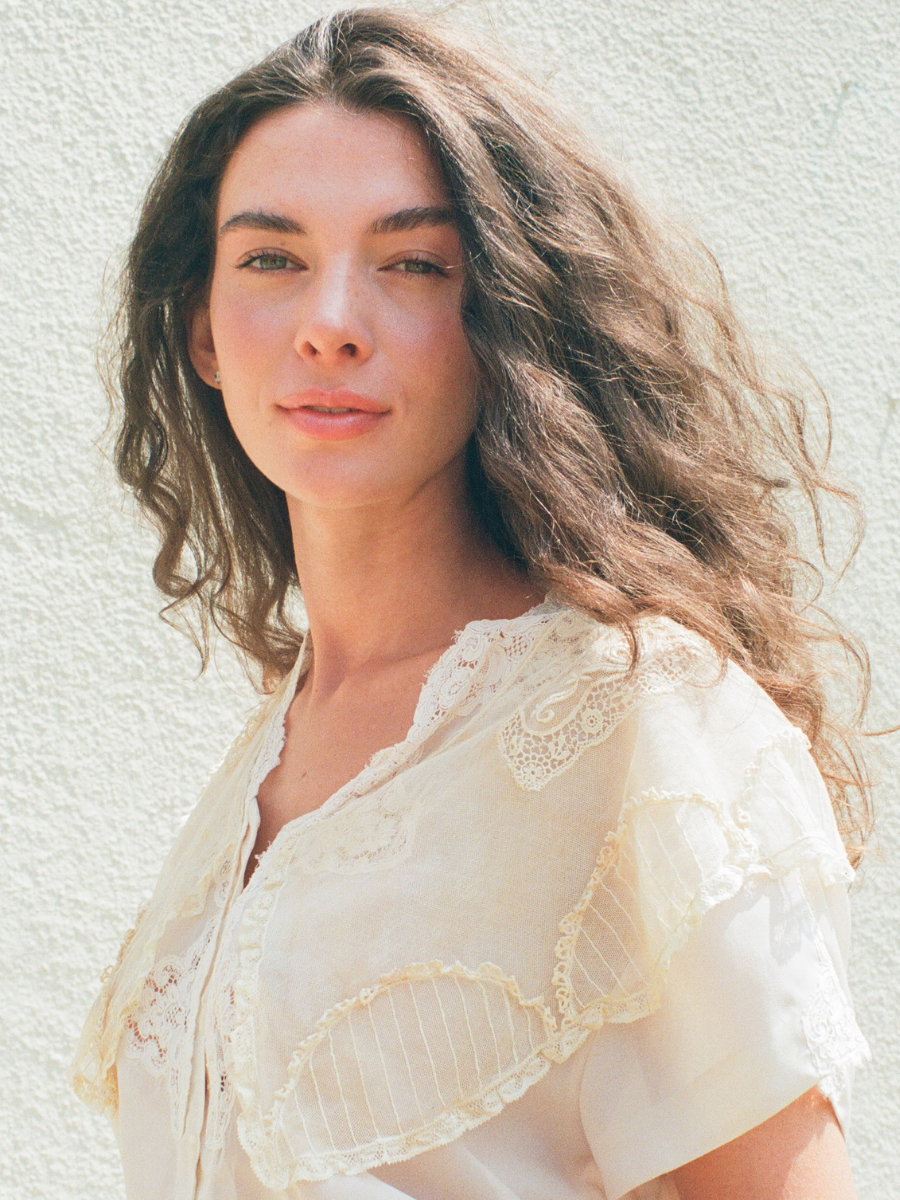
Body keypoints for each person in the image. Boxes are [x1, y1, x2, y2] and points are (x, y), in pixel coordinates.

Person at [72, 9, 872, 1199]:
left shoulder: (638, 725)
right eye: (272, 258)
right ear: (200, 327)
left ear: (500, 315)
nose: (331, 324)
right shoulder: (266, 759)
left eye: (412, 263)